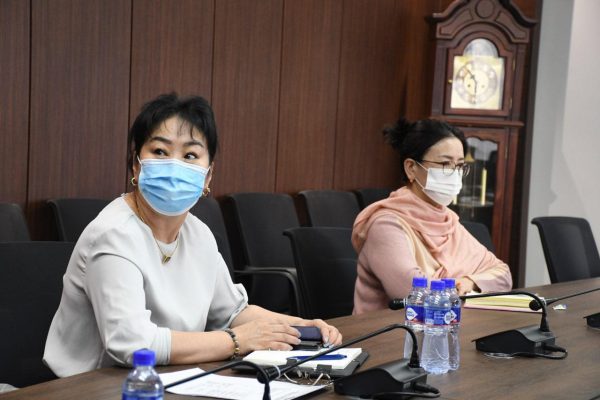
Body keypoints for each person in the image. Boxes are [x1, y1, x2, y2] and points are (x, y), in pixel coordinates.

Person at [44, 93, 341, 377]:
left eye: (190, 155)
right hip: (96, 386)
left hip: (172, 378)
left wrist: (301, 328)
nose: (174, 166)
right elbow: (133, 344)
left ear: (207, 176)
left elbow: (232, 313)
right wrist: (236, 340)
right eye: (160, 152)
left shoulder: (198, 234)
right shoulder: (113, 234)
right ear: (136, 164)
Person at [352, 118, 512, 314]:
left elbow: (503, 275)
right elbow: (416, 296)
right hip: (393, 331)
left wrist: (469, 281)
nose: (454, 174)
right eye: (445, 164)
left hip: (450, 326)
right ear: (411, 168)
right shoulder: (385, 225)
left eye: (460, 166)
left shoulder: (448, 221)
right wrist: (459, 287)